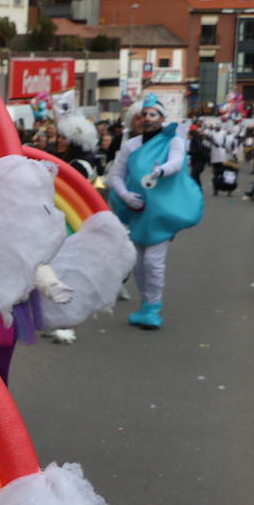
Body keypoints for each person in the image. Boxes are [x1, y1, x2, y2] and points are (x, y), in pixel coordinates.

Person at [106, 94, 204, 330]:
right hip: (137, 211)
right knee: (138, 262)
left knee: (153, 261)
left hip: (161, 212)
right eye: (144, 115)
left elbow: (177, 162)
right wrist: (125, 195)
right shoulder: (131, 145)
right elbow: (116, 176)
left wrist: (160, 171)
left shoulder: (173, 141)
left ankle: (153, 307)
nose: (147, 119)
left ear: (161, 118)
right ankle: (145, 305)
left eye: (152, 115)